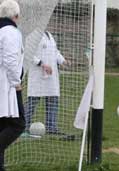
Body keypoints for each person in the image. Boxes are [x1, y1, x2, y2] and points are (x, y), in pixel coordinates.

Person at [23, 31, 69, 136]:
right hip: (38, 74)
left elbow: (55, 52)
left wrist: (63, 61)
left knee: (53, 99)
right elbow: (28, 53)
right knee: (33, 101)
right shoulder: (33, 34)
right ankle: (23, 126)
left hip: (52, 75)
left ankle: (51, 127)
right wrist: (41, 64)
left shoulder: (50, 35)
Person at [0, 0, 25, 170]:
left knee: (2, 124)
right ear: (16, 16)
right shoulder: (10, 32)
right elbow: (10, 59)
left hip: (4, 84)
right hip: (7, 86)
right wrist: (16, 82)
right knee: (18, 124)